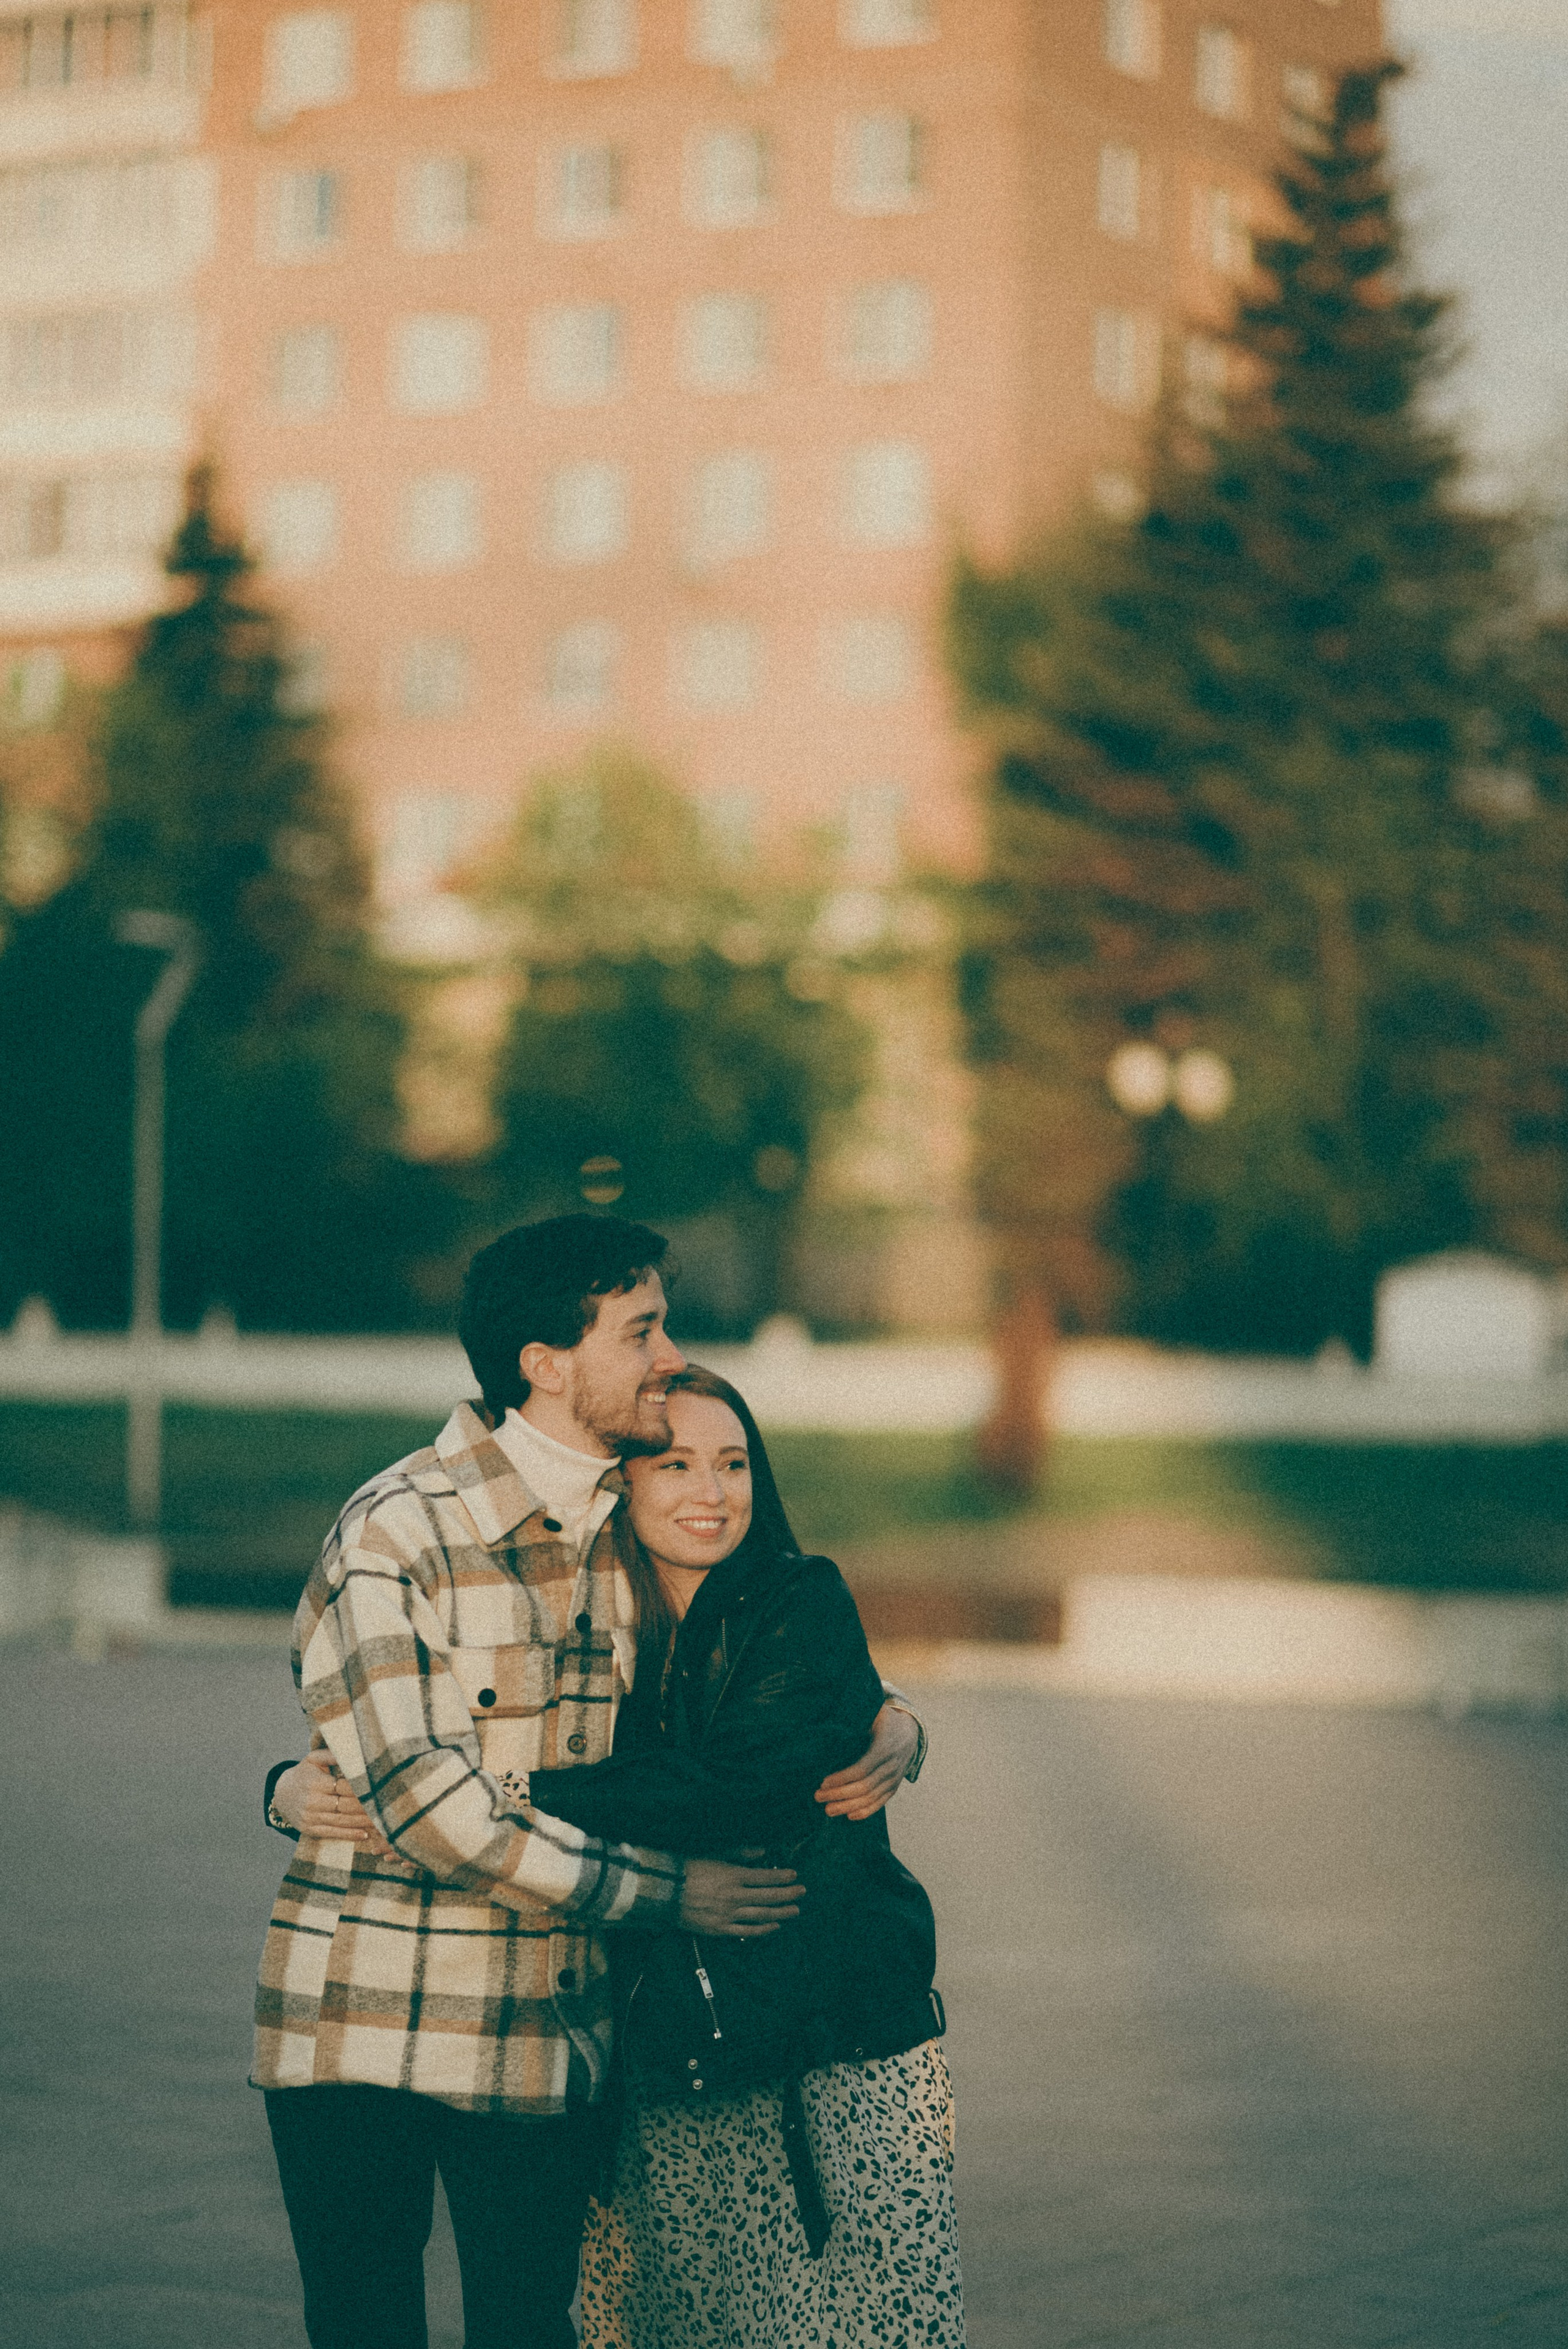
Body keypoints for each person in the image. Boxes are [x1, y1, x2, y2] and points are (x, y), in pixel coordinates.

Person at [255, 1215, 923, 2349]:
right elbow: (428, 1803)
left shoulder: (621, 1516)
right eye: (643, 1330)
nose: (669, 1355)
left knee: (527, 2326)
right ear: (545, 1362)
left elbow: (759, 1640)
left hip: (542, 2029)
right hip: (364, 2021)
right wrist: (672, 1889)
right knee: (366, 2324)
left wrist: (896, 1717)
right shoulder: (396, 1530)